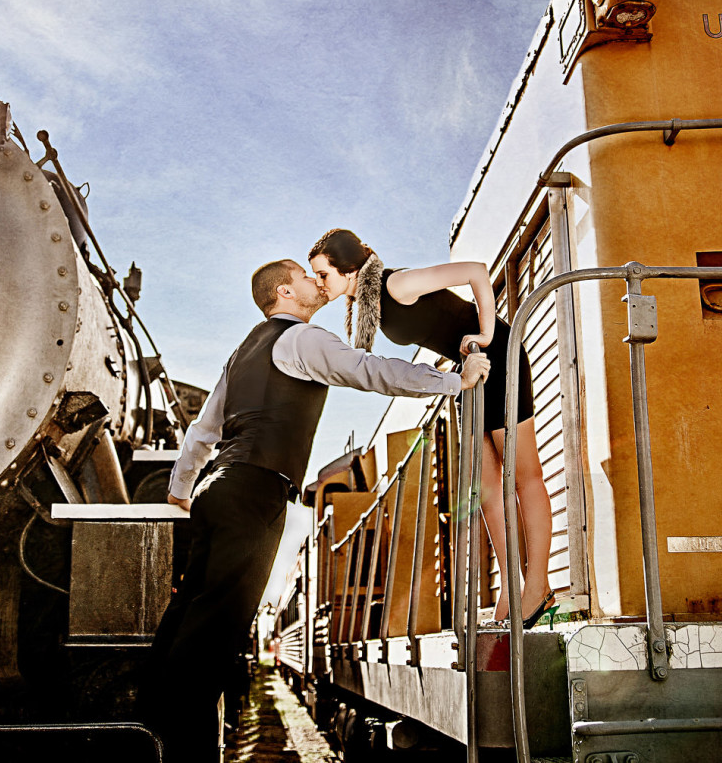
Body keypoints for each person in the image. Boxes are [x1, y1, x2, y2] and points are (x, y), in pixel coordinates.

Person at [142, 258, 489, 762]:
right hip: (255, 490)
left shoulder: (242, 352)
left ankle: (148, 729)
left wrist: (180, 490)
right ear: (285, 291)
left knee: (186, 620)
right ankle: (179, 752)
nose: (315, 281)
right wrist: (457, 382)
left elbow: (203, 430)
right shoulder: (303, 339)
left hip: (216, 489)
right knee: (214, 639)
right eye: (306, 277)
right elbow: (370, 371)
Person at [308, 229, 556, 626]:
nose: (319, 284)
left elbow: (475, 272)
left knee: (524, 475)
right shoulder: (371, 303)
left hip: (500, 355)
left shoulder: (396, 284)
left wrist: (486, 334)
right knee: (488, 488)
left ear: (348, 269)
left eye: (323, 274)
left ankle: (538, 584)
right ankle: (511, 588)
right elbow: (438, 324)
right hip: (472, 372)